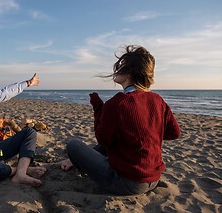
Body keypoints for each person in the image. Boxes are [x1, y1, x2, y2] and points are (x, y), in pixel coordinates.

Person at [58, 45, 181, 195]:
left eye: (120, 66)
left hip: (126, 182)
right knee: (118, 140)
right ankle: (72, 162)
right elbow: (174, 133)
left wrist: (98, 110)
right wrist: (146, 133)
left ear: (129, 72)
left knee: (73, 145)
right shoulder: (157, 99)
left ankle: (74, 161)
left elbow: (103, 139)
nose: (116, 70)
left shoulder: (117, 103)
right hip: (154, 179)